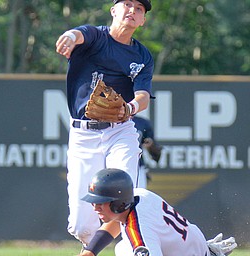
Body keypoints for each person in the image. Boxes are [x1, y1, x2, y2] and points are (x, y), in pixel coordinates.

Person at [55, 0, 154, 247]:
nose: (132, 10)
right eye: (127, 4)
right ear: (113, 10)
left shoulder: (142, 56)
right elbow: (79, 34)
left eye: (139, 9)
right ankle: (91, 250)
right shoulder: (95, 36)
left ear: (142, 20)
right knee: (81, 225)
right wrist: (69, 35)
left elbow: (142, 96)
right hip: (83, 135)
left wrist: (129, 107)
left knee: (124, 199)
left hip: (119, 131)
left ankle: (138, 248)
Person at [80, 168, 238, 256]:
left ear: (119, 204)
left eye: (101, 202)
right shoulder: (139, 195)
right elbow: (114, 223)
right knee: (122, 248)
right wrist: (90, 251)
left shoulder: (140, 234)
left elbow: (140, 235)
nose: (95, 207)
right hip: (196, 246)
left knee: (126, 250)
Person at [133, 116, 163, 187]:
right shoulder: (107, 121)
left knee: (139, 195)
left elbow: (156, 155)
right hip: (110, 165)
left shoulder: (141, 123)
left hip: (137, 166)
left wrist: (151, 146)